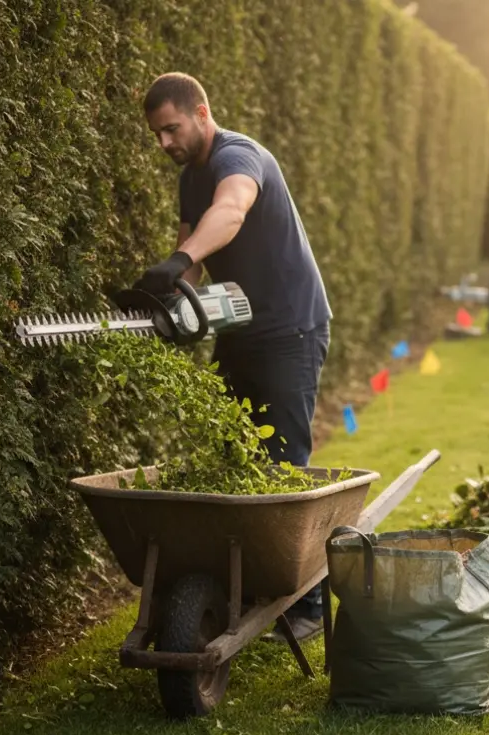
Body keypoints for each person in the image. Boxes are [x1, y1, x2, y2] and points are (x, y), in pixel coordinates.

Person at [137, 72, 332, 642]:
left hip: (292, 328)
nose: (165, 143)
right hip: (241, 330)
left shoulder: (237, 157)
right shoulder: (189, 180)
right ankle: (250, 582)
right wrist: (172, 292)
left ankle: (308, 607)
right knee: (230, 453)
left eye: (171, 128)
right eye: (156, 134)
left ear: (201, 112)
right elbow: (193, 259)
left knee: (282, 457)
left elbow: (230, 214)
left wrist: (178, 259)